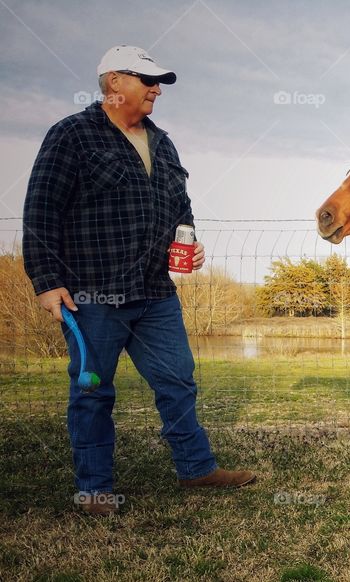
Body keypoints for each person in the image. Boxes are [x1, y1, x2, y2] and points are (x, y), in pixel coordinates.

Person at [22, 46, 255, 516]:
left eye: (160, 82)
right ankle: (95, 489)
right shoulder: (72, 135)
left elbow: (180, 206)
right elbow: (41, 211)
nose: (156, 89)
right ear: (113, 82)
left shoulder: (162, 142)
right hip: (92, 293)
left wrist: (188, 241)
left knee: (178, 381)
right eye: (147, 80)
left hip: (154, 293)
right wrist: (47, 282)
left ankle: (196, 468)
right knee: (92, 390)